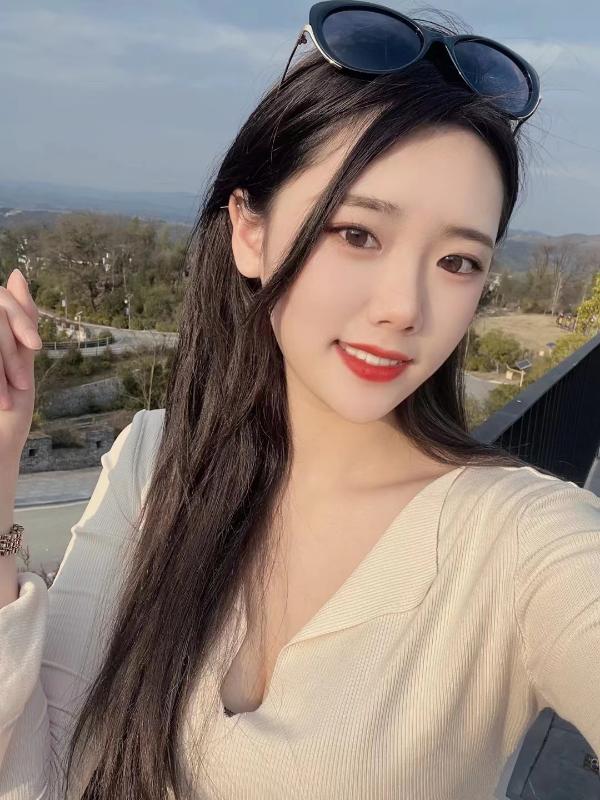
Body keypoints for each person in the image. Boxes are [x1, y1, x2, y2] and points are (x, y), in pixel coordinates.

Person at [0, 3, 599, 799]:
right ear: (250, 232)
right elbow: (42, 770)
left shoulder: (522, 543)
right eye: (357, 234)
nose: (405, 307)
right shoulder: (156, 460)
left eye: (458, 261)